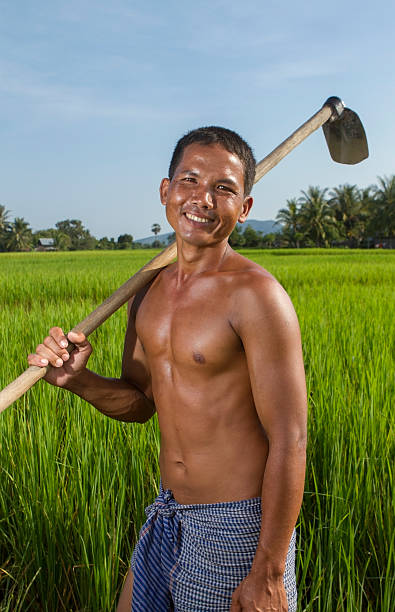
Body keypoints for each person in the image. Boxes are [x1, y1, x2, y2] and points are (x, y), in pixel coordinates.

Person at [28, 127, 307, 612]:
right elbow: (141, 404)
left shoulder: (256, 296)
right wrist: (78, 380)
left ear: (244, 208)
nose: (202, 198)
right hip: (170, 512)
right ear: (166, 190)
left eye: (224, 188)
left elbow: (291, 438)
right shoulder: (146, 291)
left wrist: (269, 569)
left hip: (237, 527)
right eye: (190, 180)